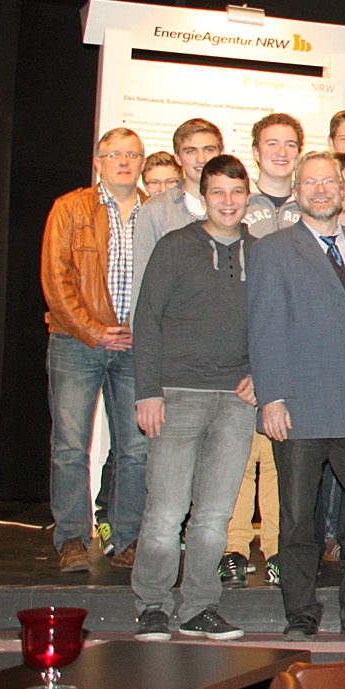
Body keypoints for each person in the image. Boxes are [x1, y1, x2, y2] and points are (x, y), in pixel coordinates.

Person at [248, 152, 345, 639]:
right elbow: (264, 328)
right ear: (296, 191)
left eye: (328, 182)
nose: (321, 190)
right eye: (310, 183)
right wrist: (271, 397)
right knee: (297, 522)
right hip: (299, 407)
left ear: (344, 189)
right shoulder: (272, 250)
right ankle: (301, 612)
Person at [130, 152, 257, 640]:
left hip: (235, 401)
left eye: (236, 192)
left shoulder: (261, 252)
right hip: (177, 394)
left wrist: (261, 375)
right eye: (217, 192)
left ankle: (200, 606)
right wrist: (148, 391)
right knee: (166, 512)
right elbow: (147, 319)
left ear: (248, 197)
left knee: (214, 516)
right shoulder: (176, 246)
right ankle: (152, 604)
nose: (227, 201)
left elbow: (273, 323)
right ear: (203, 197)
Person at [43, 126, 147, 571]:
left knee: (136, 449)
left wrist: (142, 332)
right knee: (70, 445)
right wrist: (95, 331)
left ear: (142, 162)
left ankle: (128, 539)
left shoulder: (155, 211)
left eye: (133, 155)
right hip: (76, 342)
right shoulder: (70, 208)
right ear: (98, 162)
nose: (124, 162)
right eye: (114, 154)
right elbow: (56, 280)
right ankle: (71, 538)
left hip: (136, 346)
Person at [132, 118, 223, 292]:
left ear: (221, 154)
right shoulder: (156, 209)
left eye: (208, 150)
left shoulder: (239, 206)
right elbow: (142, 281)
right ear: (178, 158)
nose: (201, 159)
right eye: (191, 151)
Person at [246, 113, 303, 214]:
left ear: (298, 156)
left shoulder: (310, 205)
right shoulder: (237, 202)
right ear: (256, 153)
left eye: (290, 145)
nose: (282, 153)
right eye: (272, 144)